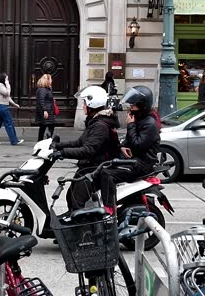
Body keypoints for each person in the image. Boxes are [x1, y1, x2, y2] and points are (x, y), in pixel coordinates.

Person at [52, 86, 121, 210]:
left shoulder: (100, 126)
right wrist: (58, 146)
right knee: (71, 196)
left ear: (92, 104)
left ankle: (84, 228)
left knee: (77, 200)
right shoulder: (95, 122)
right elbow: (80, 142)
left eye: (84, 103)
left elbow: (88, 150)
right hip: (89, 166)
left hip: (95, 168)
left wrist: (61, 153)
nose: (83, 106)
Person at [100, 85, 160, 215]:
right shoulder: (140, 119)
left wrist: (130, 125)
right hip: (134, 160)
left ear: (143, 105)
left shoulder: (149, 123)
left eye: (134, 105)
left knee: (107, 174)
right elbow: (129, 141)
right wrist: (122, 147)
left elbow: (138, 144)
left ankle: (109, 209)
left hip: (142, 164)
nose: (130, 107)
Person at [0, 72, 22, 146]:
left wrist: (14, 104)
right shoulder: (0, 86)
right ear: (3, 79)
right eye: (6, 78)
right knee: (9, 122)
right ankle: (14, 140)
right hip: (2, 107)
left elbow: (7, 98)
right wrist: (8, 85)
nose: (7, 80)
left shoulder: (1, 86)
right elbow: (7, 94)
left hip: (0, 106)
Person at [35, 74, 56, 142]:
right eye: (50, 79)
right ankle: (47, 141)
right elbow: (41, 101)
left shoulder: (46, 89)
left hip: (48, 110)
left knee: (43, 127)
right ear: (47, 80)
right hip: (47, 111)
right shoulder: (42, 90)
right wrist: (45, 110)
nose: (52, 80)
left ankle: (41, 141)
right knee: (50, 126)